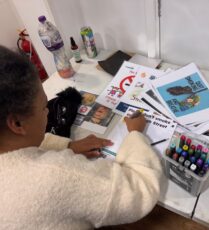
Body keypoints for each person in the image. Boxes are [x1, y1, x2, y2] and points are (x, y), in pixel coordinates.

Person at [0, 46, 163, 230]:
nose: (47, 112)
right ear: (17, 124)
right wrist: (135, 135)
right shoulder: (55, 175)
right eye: (44, 106)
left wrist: (65, 146)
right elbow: (138, 192)